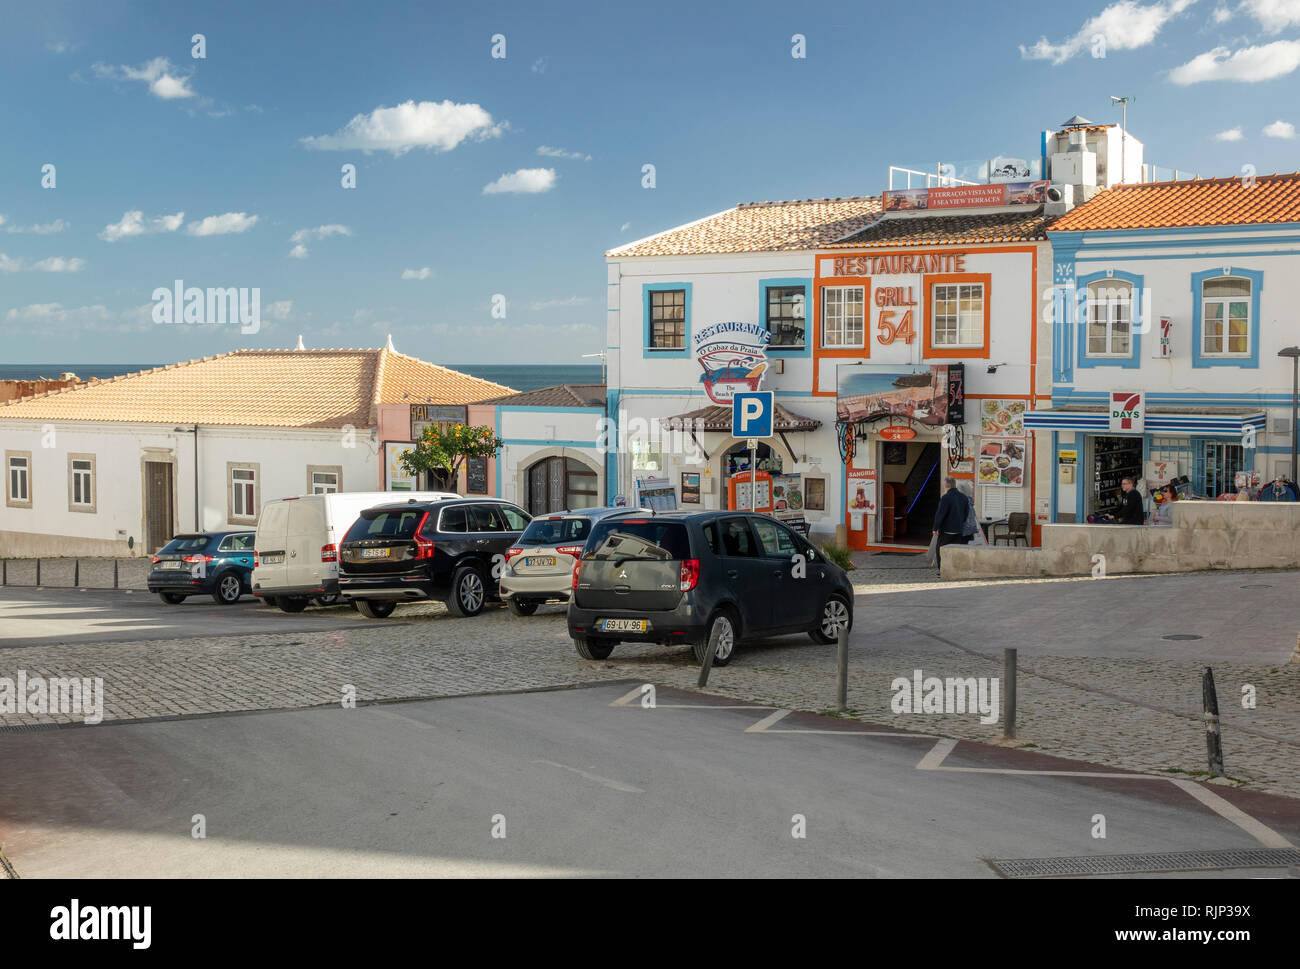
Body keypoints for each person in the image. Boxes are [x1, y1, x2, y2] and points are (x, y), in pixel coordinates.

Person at [931, 476, 972, 571]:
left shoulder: (945, 498)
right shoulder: (964, 497)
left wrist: (935, 528)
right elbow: (966, 513)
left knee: (940, 549)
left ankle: (942, 570)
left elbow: (940, 514)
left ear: (946, 485)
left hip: (947, 530)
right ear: (954, 485)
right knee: (956, 550)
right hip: (959, 529)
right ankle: (955, 569)